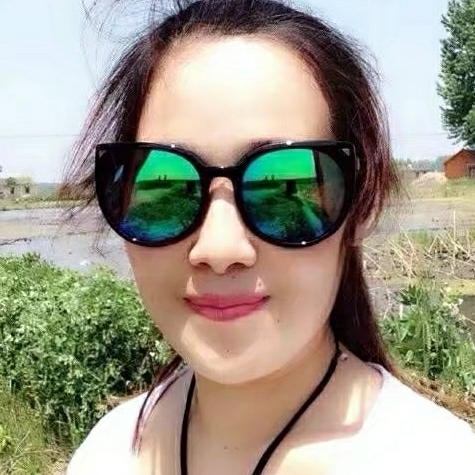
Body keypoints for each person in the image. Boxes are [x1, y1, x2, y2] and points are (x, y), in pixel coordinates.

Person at [65, 1, 474, 474]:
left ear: (362, 204)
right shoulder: (107, 454)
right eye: (168, 188)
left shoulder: (435, 460)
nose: (219, 249)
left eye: (284, 185)